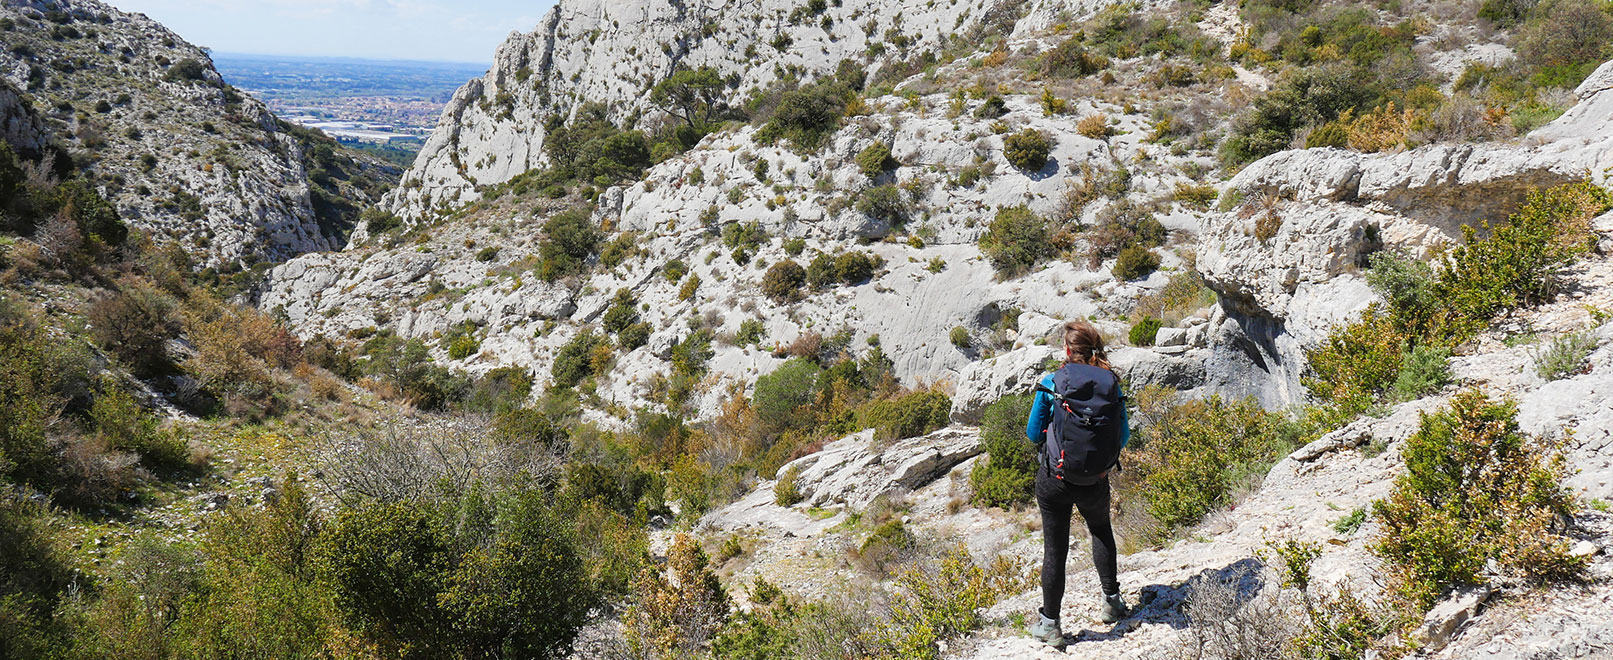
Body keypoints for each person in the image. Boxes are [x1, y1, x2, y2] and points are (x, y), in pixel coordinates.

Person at [1025, 319, 1130, 647]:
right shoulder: (1112, 384)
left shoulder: (1052, 382)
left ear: (1068, 351)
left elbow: (1032, 433)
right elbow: (1123, 436)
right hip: (1095, 479)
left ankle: (1050, 625)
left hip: (1055, 478)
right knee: (1100, 531)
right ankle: (1112, 603)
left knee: (1055, 550)